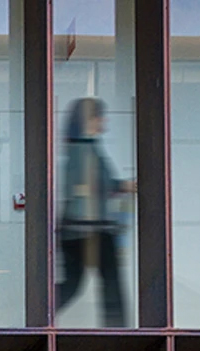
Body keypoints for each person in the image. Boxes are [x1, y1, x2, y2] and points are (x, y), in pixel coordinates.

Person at [56, 96, 136, 328]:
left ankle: (40, 314)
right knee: (111, 283)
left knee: (72, 284)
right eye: (100, 116)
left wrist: (120, 186)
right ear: (89, 119)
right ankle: (119, 333)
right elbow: (90, 185)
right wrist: (120, 186)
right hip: (90, 228)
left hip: (75, 230)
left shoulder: (80, 147)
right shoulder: (83, 149)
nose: (105, 122)